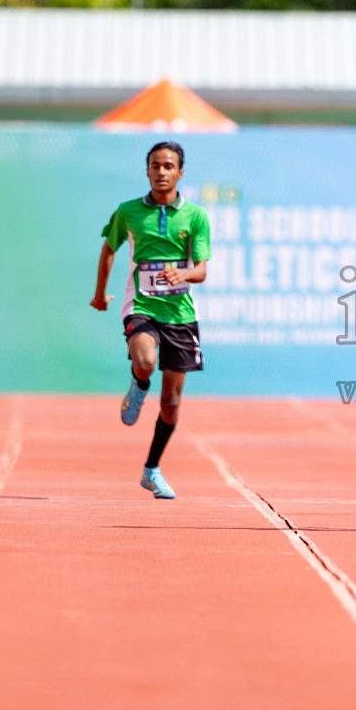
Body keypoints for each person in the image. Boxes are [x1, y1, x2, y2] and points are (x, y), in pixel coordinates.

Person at [91, 141, 211, 500]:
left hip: (181, 315)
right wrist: (100, 294)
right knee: (145, 361)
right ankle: (139, 384)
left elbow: (202, 270)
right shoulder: (128, 212)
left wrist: (183, 275)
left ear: (180, 173)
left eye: (169, 166)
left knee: (171, 404)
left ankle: (152, 470)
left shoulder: (196, 216)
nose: (162, 172)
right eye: (155, 166)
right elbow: (109, 249)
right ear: (147, 171)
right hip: (140, 306)